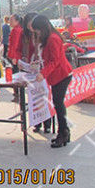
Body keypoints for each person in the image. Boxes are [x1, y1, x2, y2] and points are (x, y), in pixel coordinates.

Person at [31, 15, 73, 148]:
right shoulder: (49, 38)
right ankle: (64, 132)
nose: (37, 33)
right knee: (58, 104)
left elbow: (55, 61)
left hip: (62, 75)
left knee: (58, 105)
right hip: (57, 75)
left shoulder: (53, 39)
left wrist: (43, 73)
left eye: (37, 30)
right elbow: (49, 59)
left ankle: (63, 132)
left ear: (42, 28)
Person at [7, 14, 24, 102]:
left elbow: (15, 45)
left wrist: (14, 57)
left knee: (16, 75)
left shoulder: (17, 30)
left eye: (11, 20)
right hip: (16, 56)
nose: (9, 22)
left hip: (16, 57)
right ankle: (17, 93)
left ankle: (17, 94)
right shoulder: (18, 29)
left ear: (17, 21)